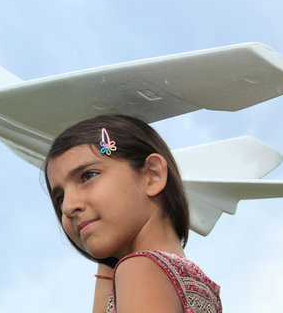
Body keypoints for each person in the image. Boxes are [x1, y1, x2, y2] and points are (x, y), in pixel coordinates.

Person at [44, 115, 222, 313]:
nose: (68, 206)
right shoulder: (197, 285)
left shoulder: (140, 270)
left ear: (152, 175)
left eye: (88, 175)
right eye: (60, 198)